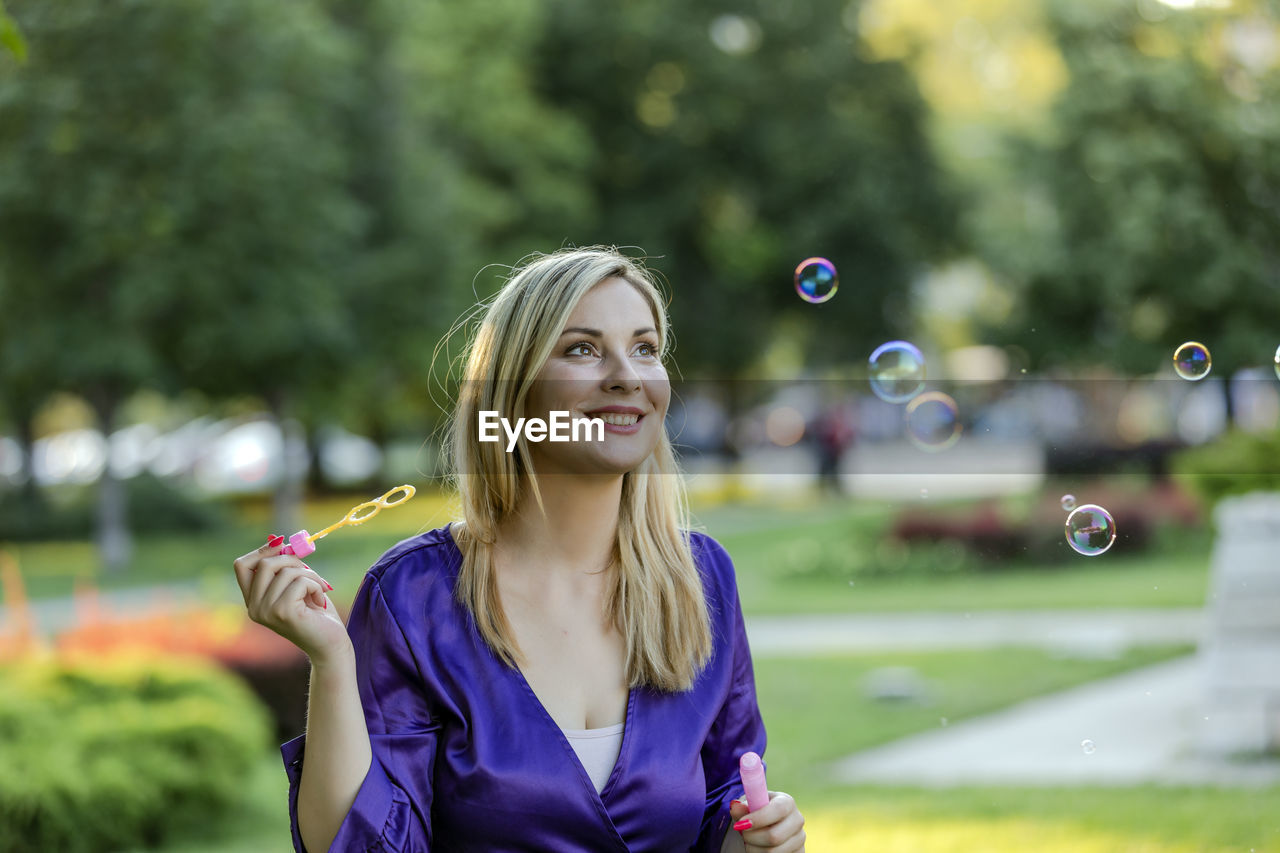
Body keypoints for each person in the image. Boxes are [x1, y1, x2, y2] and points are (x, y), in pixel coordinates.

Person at [232, 246, 807, 852]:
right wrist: (331, 659)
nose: (627, 376)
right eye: (581, 349)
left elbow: (722, 802)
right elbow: (359, 845)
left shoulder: (702, 577)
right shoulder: (414, 594)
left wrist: (755, 838)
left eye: (645, 349)